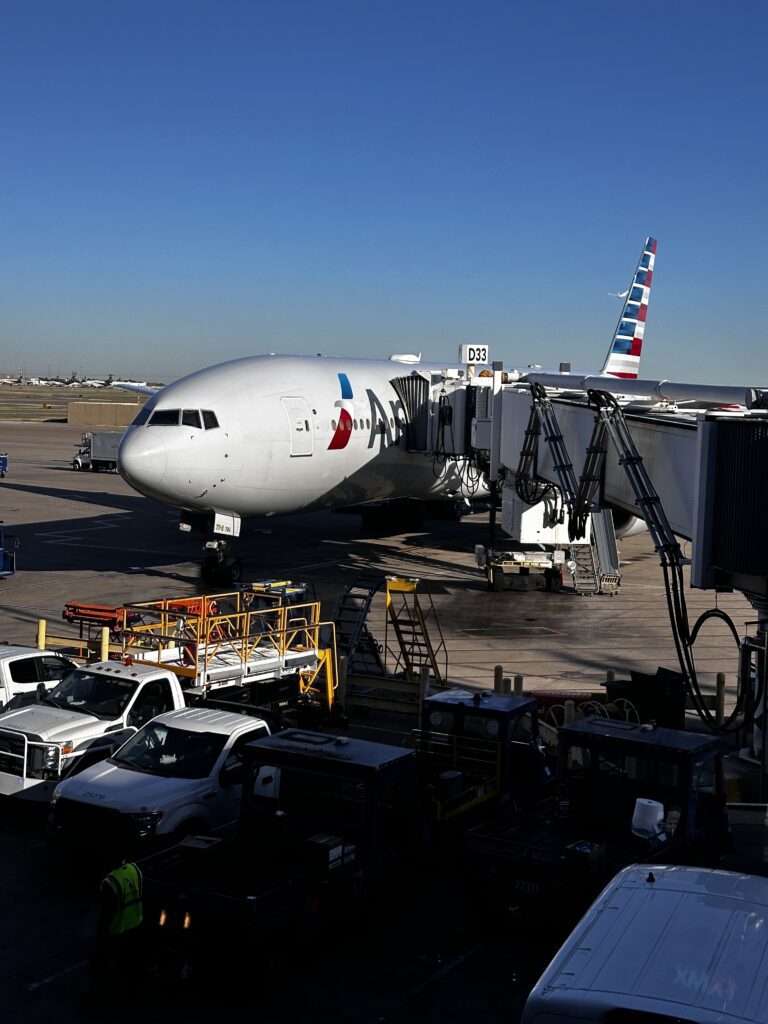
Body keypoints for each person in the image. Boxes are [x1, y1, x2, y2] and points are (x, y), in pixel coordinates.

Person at [88, 860, 144, 1007]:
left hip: (116, 930)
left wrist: (100, 936)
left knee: (98, 964)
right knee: (127, 966)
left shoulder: (110, 882)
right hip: (135, 925)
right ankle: (129, 998)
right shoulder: (134, 869)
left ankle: (97, 1002)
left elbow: (107, 914)